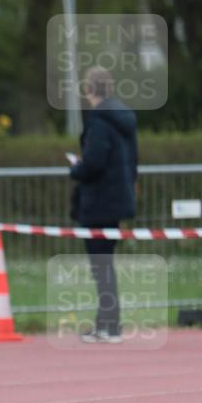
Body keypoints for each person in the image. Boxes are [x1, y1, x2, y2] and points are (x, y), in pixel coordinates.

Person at [69, 66, 138, 343]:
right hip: (118, 200)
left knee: (101, 265)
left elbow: (95, 162)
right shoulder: (124, 118)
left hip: (98, 202)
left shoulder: (98, 121)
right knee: (106, 264)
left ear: (89, 90)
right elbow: (132, 160)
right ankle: (109, 323)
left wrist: (76, 168)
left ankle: (108, 326)